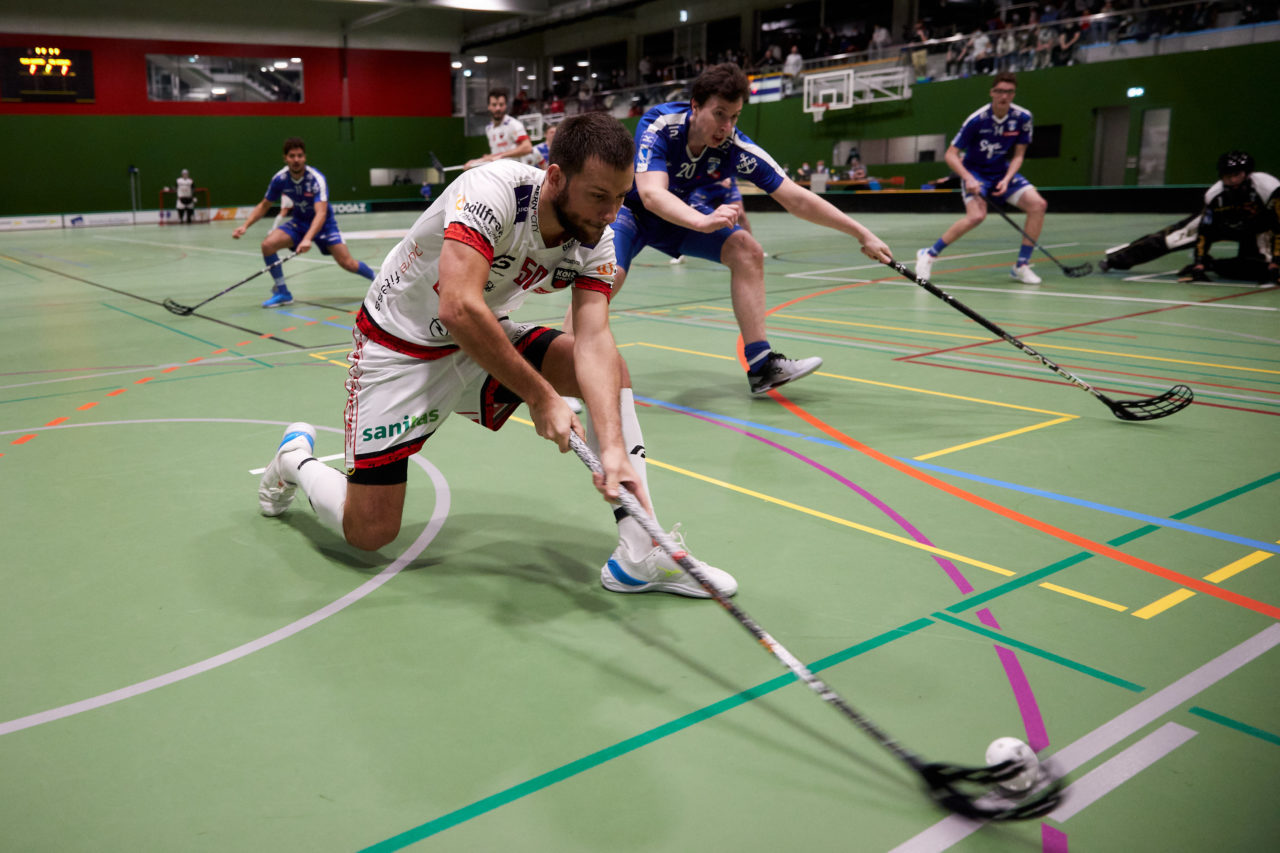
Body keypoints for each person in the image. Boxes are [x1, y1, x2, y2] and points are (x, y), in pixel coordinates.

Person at [256, 112, 737, 599]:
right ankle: (295, 459)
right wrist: (542, 396)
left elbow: (594, 339)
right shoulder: (491, 190)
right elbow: (459, 305)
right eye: (597, 196)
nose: (611, 213)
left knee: (610, 370)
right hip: (399, 347)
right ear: (555, 177)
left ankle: (640, 552)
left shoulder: (598, 238)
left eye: (620, 197)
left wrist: (610, 444)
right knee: (370, 532)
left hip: (485, 337)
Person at [599, 63, 891, 396]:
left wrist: (860, 232)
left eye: (734, 117)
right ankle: (560, 367)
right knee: (607, 280)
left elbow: (796, 198)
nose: (726, 126)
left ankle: (762, 365)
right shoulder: (661, 124)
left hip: (678, 217)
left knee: (747, 251)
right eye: (719, 114)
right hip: (631, 212)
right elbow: (651, 195)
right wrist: (701, 220)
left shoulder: (735, 149)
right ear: (695, 105)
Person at [915, 72, 1049, 285]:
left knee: (1038, 205)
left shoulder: (1023, 118)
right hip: (975, 172)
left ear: (1014, 94)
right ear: (992, 92)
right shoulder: (977, 120)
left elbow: (1019, 154)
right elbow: (951, 154)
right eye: (999, 91)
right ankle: (929, 254)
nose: (1003, 96)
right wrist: (968, 178)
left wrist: (1007, 179)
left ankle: (1021, 265)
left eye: (1009, 92)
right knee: (976, 216)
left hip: (1001, 171)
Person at [232, 137, 377, 308]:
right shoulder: (280, 179)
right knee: (268, 245)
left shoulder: (316, 179)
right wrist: (245, 225)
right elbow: (264, 205)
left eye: (299, 156)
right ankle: (283, 292)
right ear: (285, 158)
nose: (296, 160)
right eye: (292, 156)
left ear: (305, 157)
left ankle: (379, 281)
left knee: (348, 263)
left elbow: (321, 213)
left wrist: (308, 238)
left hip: (324, 225)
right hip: (299, 223)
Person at [1101, 151, 1279, 284]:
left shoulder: (1269, 188)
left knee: (1262, 270)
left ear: (1247, 174)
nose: (1232, 181)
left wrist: (1276, 261)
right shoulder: (1214, 196)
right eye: (1227, 176)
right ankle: (1115, 260)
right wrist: (1198, 263)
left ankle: (1215, 265)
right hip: (1222, 223)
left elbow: (1278, 225)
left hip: (1260, 227)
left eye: (1236, 175)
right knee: (1169, 239)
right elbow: (1205, 231)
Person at [464, 88, 535, 170]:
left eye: (501, 105)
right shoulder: (489, 129)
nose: (498, 108)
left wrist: (502, 155)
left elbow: (527, 147)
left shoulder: (514, 124)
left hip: (515, 173)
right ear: (489, 107)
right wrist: (476, 162)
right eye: (494, 105)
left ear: (505, 106)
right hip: (499, 172)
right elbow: (495, 155)